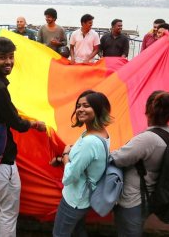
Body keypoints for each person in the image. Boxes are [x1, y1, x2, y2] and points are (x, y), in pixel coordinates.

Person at [0, 37, 46, 236]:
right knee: (9, 209)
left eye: (11, 57)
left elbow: (7, 113)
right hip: (1, 158)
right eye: (2, 58)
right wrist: (33, 124)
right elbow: (16, 123)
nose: (8, 62)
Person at [52, 90, 112, 237]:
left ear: (97, 109)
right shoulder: (100, 133)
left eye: (86, 106)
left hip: (74, 200)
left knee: (59, 234)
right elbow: (87, 162)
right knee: (78, 231)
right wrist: (62, 160)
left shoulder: (90, 142)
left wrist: (65, 155)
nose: (80, 109)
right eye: (78, 106)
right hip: (84, 199)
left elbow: (68, 177)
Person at [111, 91, 169, 237]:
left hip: (133, 199)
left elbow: (117, 158)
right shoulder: (167, 134)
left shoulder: (147, 139)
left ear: (148, 110)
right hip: (149, 196)